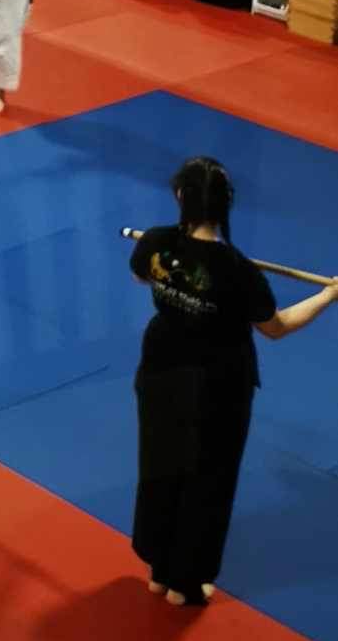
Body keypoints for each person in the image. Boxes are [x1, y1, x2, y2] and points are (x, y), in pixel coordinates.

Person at [128, 157, 338, 607]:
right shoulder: (238, 271)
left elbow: (141, 275)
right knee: (207, 479)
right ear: (225, 206)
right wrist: (329, 295)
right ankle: (186, 582)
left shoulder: (157, 241)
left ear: (181, 197)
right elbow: (276, 327)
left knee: (161, 466)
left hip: (160, 370)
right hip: (215, 386)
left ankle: (159, 569)